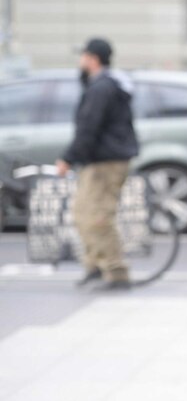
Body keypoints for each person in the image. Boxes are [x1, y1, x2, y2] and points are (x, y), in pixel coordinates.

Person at [56, 38, 139, 291]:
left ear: (92, 58)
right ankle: (94, 265)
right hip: (99, 160)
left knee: (97, 216)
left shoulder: (101, 88)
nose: (80, 60)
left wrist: (68, 158)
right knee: (82, 213)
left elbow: (88, 127)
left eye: (83, 55)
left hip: (106, 162)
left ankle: (116, 271)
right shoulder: (101, 85)